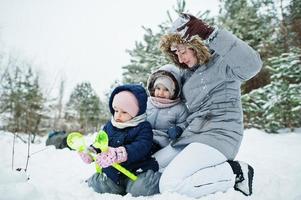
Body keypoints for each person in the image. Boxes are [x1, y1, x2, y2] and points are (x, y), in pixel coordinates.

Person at [157, 13, 263, 198]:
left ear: (196, 45)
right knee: (153, 165)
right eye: (176, 54)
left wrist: (210, 33)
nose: (180, 59)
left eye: (183, 51)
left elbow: (252, 65)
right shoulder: (186, 75)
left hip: (220, 134)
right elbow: (162, 93)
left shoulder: (224, 64)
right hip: (193, 135)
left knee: (170, 184)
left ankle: (235, 172)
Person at [78, 84, 161, 196]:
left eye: (124, 112)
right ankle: (108, 183)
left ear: (136, 112)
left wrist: (120, 153)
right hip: (114, 173)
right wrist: (92, 151)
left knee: (141, 188)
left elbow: (142, 146)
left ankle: (154, 181)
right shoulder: (110, 126)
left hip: (137, 170)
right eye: (116, 110)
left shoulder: (143, 127)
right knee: (99, 185)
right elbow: (100, 143)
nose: (118, 115)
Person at [146, 64, 188, 168]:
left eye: (166, 90)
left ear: (174, 91)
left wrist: (178, 130)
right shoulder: (147, 103)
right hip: (143, 139)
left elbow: (185, 125)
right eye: (158, 88)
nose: (160, 92)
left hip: (162, 144)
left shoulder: (179, 108)